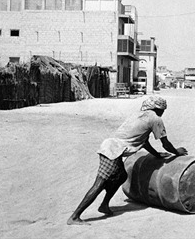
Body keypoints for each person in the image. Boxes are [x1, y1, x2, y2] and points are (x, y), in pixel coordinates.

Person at [67, 96, 188, 225]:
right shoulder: (155, 118)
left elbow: (143, 142)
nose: (163, 113)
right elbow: (165, 143)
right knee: (99, 184)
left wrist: (156, 154)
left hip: (111, 147)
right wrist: (177, 152)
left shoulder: (139, 115)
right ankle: (75, 216)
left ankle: (104, 205)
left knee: (121, 176)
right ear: (158, 109)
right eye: (163, 110)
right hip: (112, 151)